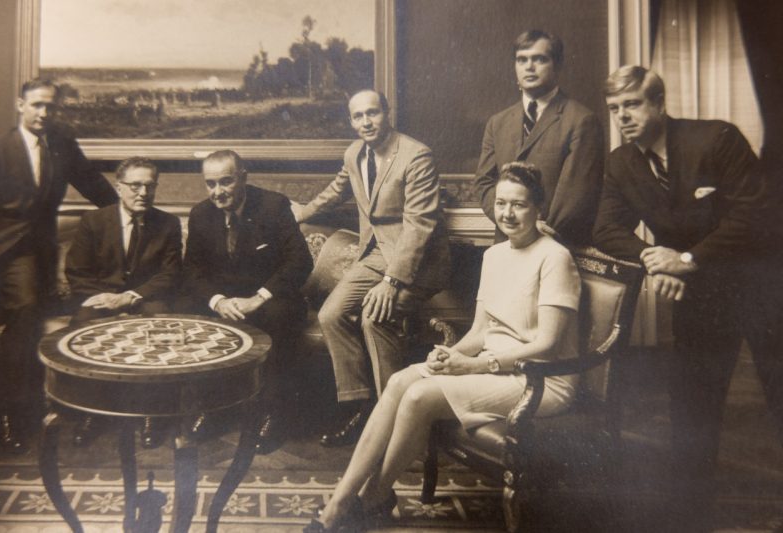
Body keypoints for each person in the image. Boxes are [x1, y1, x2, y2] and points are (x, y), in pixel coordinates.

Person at [304, 162, 581, 532]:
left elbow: (547, 343)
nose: (508, 214)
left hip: (539, 380)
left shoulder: (554, 257)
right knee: (401, 380)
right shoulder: (496, 256)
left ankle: (373, 495)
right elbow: (483, 329)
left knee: (420, 396)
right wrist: (454, 355)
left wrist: (477, 367)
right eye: (501, 204)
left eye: (519, 205)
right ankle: (342, 500)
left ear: (538, 208)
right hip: (494, 367)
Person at [593, 65, 783, 532]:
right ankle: (689, 517)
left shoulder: (716, 139)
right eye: (615, 109)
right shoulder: (621, 163)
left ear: (659, 103)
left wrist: (689, 259)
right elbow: (606, 229)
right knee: (693, 407)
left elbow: (756, 218)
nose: (624, 117)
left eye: (633, 105)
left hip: (761, 288)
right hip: (700, 297)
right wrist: (656, 259)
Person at [293, 89, 450, 447]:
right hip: (377, 253)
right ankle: (361, 408)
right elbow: (337, 190)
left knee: (374, 317)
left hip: (419, 262)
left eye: (373, 113)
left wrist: (393, 281)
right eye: (358, 116)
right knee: (331, 314)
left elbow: (419, 225)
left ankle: (395, 420)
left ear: (387, 113)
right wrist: (302, 213)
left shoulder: (416, 155)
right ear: (351, 121)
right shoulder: (353, 154)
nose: (366, 122)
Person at [0, 78, 118, 453]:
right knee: (23, 316)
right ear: (20, 105)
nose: (45, 113)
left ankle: (59, 407)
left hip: (45, 253)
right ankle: (13, 415)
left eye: (51, 107)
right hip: (6, 254)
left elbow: (93, 185)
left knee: (67, 315)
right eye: (38, 105)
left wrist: (126, 213)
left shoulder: (62, 144)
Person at [179, 150, 313, 453]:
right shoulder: (201, 214)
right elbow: (192, 271)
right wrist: (218, 301)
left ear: (243, 177)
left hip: (270, 298)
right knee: (189, 311)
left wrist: (258, 298)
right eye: (210, 184)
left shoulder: (273, 206)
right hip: (228, 302)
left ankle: (272, 415)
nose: (217, 192)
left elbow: (299, 262)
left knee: (277, 317)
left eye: (225, 182)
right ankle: (211, 408)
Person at [64, 156, 182, 448]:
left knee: (160, 324)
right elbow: (76, 271)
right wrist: (102, 299)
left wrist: (128, 298)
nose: (143, 193)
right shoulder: (94, 222)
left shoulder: (168, 223)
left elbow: (171, 275)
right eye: (135, 186)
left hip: (146, 299)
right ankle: (92, 413)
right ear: (118, 188)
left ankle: (151, 414)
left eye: (149, 186)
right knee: (83, 324)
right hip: (101, 297)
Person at [475, 30, 604, 246]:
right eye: (522, 60)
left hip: (558, 244)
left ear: (557, 65)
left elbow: (576, 197)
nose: (529, 67)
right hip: (507, 244)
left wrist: (535, 231)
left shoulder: (581, 120)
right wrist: (511, 223)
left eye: (540, 59)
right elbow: (484, 182)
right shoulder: (497, 122)